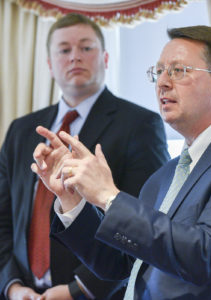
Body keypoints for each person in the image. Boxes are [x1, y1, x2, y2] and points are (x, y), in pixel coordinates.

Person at [32, 25, 211, 300]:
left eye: (178, 70)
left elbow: (205, 257)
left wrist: (109, 196)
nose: (162, 82)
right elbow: (120, 265)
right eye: (158, 72)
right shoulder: (165, 175)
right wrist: (72, 199)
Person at [0, 13, 170, 300]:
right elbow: (3, 220)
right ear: (50, 64)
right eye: (64, 50)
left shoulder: (140, 124)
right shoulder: (21, 129)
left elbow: (144, 222)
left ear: (105, 58)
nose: (75, 57)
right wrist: (12, 286)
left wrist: (79, 290)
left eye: (86, 47)